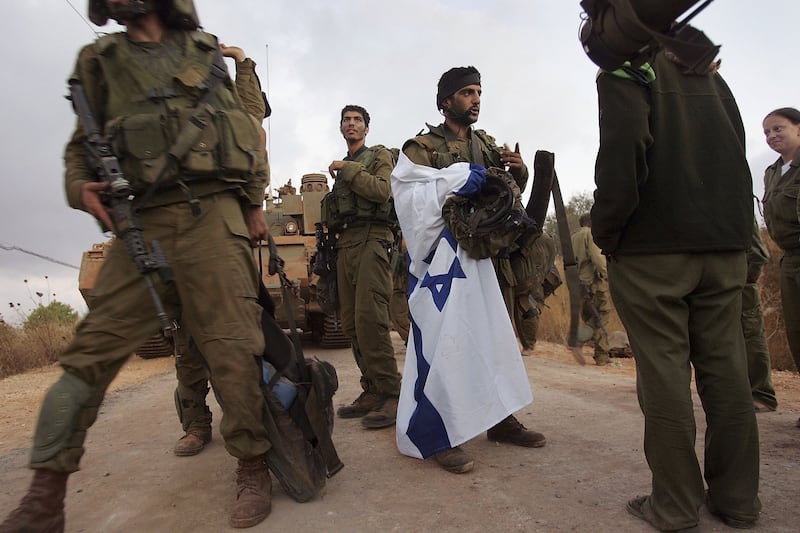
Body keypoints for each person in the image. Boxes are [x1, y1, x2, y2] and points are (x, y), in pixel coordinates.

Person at [1, 1, 273, 530]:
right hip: (141, 222)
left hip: (214, 214)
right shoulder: (98, 62)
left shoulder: (206, 54)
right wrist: (79, 186)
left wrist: (254, 203)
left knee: (233, 349)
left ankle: (253, 465)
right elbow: (81, 147)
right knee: (90, 353)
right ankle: (44, 496)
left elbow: (245, 128)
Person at [591, 36, 761, 531]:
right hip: (724, 247)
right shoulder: (711, 75)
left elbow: (623, 155)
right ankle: (737, 501)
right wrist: (742, 241)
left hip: (654, 250)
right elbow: (737, 158)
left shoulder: (627, 69)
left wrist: (608, 232)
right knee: (727, 372)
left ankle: (675, 507)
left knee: (664, 376)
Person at [396, 66, 545, 475]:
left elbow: (506, 196)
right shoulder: (421, 147)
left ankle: (499, 419)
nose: (476, 99)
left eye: (478, 91)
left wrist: (519, 172)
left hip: (489, 255)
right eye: (466, 93)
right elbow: (410, 200)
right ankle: (444, 432)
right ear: (446, 101)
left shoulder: (488, 145)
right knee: (450, 343)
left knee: (496, 338)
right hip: (448, 263)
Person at [172, 43, 270, 458]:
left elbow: (252, 116)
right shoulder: (164, 100)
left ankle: (252, 439)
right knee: (186, 343)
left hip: (221, 224)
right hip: (173, 224)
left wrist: (242, 62)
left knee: (234, 343)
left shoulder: (227, 109)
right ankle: (195, 423)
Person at [323, 105, 402, 429]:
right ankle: (371, 389)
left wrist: (347, 169)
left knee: (371, 320)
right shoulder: (346, 166)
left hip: (374, 240)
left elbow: (383, 191)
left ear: (366, 129)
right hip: (346, 244)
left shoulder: (378, 156)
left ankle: (393, 393)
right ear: (341, 127)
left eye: (357, 120)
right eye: (347, 120)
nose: (351, 124)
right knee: (352, 323)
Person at [744, 218, 778, 413]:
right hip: (724, 271)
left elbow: (754, 242)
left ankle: (762, 394)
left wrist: (752, 270)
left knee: (750, 334)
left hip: (743, 272)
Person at [570, 213, 611, 365]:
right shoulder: (591, 235)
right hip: (594, 283)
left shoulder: (574, 237)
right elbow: (598, 259)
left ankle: (601, 356)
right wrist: (608, 275)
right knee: (602, 316)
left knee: (590, 317)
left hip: (579, 284)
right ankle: (578, 339)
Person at [513, 232, 557, 356]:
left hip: (523, 277)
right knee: (531, 309)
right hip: (539, 278)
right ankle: (528, 344)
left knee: (526, 310)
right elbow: (551, 260)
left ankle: (528, 345)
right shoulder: (546, 238)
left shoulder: (523, 234)